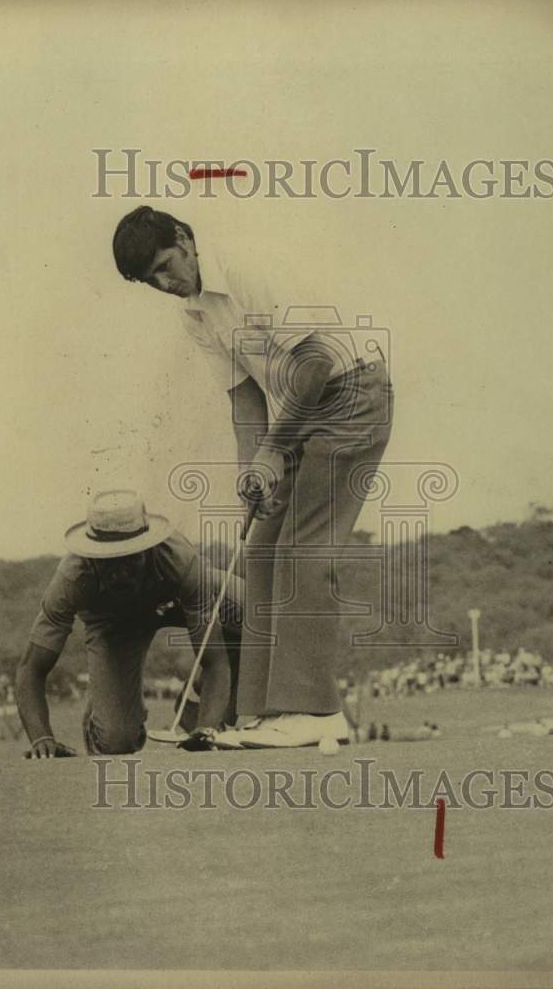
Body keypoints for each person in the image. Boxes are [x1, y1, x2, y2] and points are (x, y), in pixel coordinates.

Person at [113, 207, 393, 748]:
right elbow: (244, 398)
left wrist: (271, 451)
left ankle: (315, 714)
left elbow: (315, 360)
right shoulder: (195, 315)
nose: (167, 283)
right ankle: (263, 713)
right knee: (262, 550)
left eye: (166, 265)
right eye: (153, 280)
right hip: (299, 408)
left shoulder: (245, 268)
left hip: (352, 395)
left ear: (185, 239)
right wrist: (253, 475)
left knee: (303, 551)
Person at [15, 490, 243, 757]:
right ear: (91, 557)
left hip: (175, 603)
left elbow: (213, 658)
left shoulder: (180, 560)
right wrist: (41, 737)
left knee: (256, 615)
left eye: (131, 557)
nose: (122, 573)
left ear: (150, 547)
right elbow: (31, 668)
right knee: (116, 741)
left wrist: (207, 729)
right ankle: (100, 711)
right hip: (115, 624)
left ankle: (196, 703)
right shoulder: (72, 578)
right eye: (109, 562)